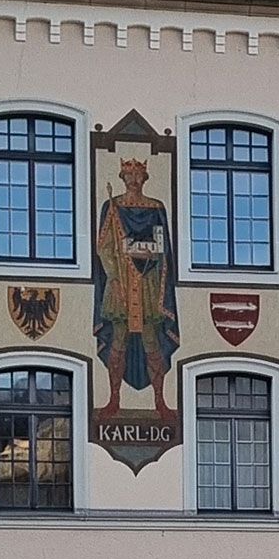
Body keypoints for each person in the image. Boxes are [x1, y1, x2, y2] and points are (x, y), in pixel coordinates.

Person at [95, 158, 179, 418]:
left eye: (138, 172)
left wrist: (143, 251)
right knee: (118, 341)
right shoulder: (112, 207)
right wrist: (115, 276)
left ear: (145, 177)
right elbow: (104, 247)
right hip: (121, 282)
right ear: (122, 175)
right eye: (129, 172)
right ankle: (114, 398)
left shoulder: (155, 208)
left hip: (148, 283)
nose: (133, 177)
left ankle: (160, 400)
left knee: (152, 341)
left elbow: (161, 246)